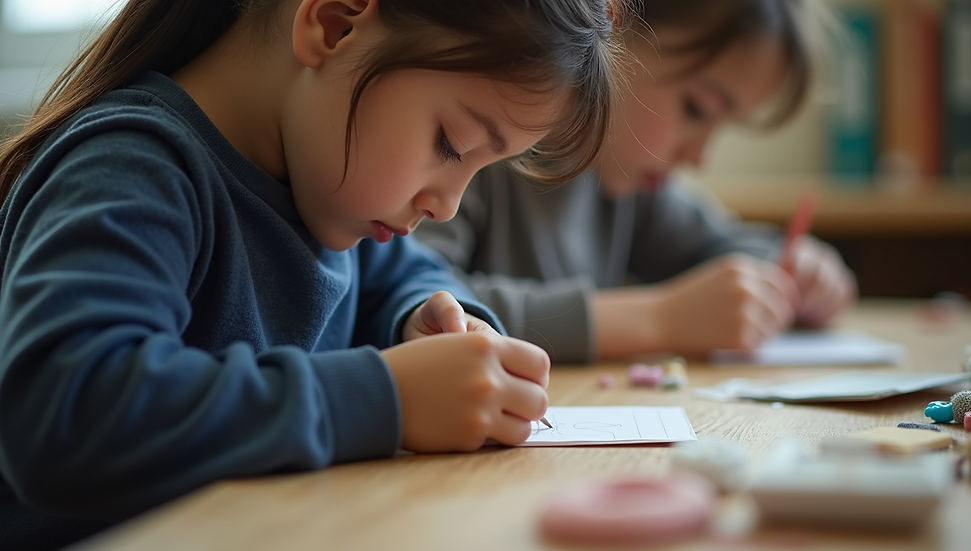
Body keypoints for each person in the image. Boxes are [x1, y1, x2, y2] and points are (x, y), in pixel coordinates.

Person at [0, 0, 625, 548]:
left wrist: (431, 317)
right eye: (451, 146)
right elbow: (62, 412)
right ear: (333, 22)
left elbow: (405, 274)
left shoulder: (331, 199)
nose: (447, 204)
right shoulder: (133, 170)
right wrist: (385, 397)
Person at [414, 0, 857, 364]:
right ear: (611, 27)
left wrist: (792, 270)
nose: (699, 157)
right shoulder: (474, 148)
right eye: (697, 109)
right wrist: (660, 319)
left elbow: (724, 246)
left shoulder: (626, 182)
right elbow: (416, 300)